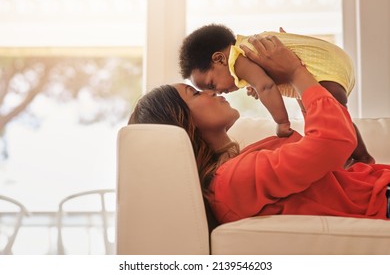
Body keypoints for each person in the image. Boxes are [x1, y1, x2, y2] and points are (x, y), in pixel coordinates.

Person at [129, 34, 390, 225]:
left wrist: (299, 75)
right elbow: (332, 142)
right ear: (183, 123)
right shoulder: (231, 181)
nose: (211, 92)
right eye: (196, 93)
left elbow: (327, 147)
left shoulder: (244, 161)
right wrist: (296, 71)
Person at [179, 24, 374, 166]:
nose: (216, 93)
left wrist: (281, 122)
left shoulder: (239, 57)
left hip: (324, 67)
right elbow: (265, 82)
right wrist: (257, 84)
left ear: (219, 58)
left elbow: (266, 86)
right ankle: (354, 158)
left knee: (334, 118)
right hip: (334, 64)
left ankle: (363, 158)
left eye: (211, 84)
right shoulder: (249, 50)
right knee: (327, 116)